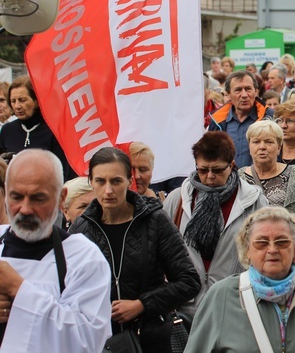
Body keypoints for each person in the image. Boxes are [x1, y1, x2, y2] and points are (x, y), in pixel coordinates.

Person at [70, 147, 200, 352]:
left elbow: (189, 281)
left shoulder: (155, 221)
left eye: (116, 181)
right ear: (90, 182)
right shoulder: (81, 227)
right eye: (100, 181)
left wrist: (141, 304)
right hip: (99, 342)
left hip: (149, 339)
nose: (108, 190)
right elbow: (67, 287)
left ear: (129, 181)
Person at [184, 206, 295, 352]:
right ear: (247, 250)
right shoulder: (221, 297)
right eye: (261, 243)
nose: (272, 249)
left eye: (281, 242)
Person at [0, 149, 111, 352]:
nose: (25, 209)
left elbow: (87, 341)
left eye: (38, 198)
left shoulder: (83, 258)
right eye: (16, 197)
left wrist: (19, 290)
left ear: (61, 198)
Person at [163, 132, 269, 315]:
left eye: (217, 170)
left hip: (234, 305)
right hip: (185, 306)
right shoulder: (177, 199)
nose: (210, 176)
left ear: (232, 166)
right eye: (203, 170)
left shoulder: (253, 201)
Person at [241, 120, 295, 253]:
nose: (262, 147)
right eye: (256, 142)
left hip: (290, 258)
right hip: (250, 256)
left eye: (269, 142)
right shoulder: (239, 178)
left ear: (279, 147)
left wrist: (294, 240)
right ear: (249, 146)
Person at [0, 76, 74, 180]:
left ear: (36, 101)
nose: (17, 106)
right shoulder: (7, 130)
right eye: (13, 101)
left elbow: (62, 174)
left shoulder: (54, 130)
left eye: (22, 100)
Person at [208, 70, 273, 168]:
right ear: (229, 94)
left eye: (248, 89)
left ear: (256, 92)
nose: (244, 95)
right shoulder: (217, 121)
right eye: (238, 90)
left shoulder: (269, 118)